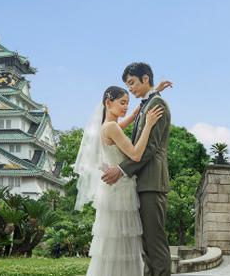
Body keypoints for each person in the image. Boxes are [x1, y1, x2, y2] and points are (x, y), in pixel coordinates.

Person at [73, 78, 171, 276]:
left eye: (128, 102)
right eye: (122, 102)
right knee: (123, 243)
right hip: (121, 191)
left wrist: (153, 93)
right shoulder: (113, 128)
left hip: (113, 191)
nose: (126, 107)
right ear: (109, 103)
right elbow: (135, 154)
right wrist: (148, 125)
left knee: (116, 244)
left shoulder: (107, 125)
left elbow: (131, 117)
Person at [101, 62, 172, 276]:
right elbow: (143, 105)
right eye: (127, 85)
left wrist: (121, 170)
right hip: (142, 183)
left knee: (155, 242)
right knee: (146, 245)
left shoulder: (156, 104)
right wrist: (155, 90)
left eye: (132, 83)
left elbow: (150, 147)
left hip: (152, 183)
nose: (130, 88)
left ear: (145, 79)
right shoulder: (149, 102)